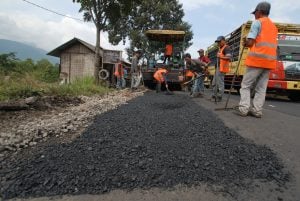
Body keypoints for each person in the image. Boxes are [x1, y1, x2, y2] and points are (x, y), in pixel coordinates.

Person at [236, 1, 277, 118]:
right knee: (261, 88)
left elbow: (250, 43)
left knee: (246, 85)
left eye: (255, 12)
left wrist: (245, 41)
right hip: (269, 62)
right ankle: (257, 111)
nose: (254, 15)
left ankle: (243, 109)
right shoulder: (273, 27)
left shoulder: (257, 23)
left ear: (259, 12)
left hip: (257, 60)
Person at [211, 36, 232, 102]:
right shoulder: (220, 48)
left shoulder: (226, 48)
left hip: (221, 68)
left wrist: (220, 56)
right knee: (214, 82)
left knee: (220, 83)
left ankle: (219, 96)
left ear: (223, 40)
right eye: (217, 42)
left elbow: (229, 57)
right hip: (218, 68)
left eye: (219, 42)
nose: (218, 43)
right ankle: (214, 95)